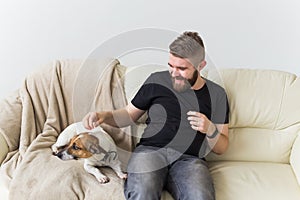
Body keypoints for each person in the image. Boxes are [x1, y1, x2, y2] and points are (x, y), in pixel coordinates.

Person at [82, 31, 229, 200]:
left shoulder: (217, 94)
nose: (174, 73)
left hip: (189, 160)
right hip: (150, 153)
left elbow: (222, 148)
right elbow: (129, 115)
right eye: (171, 66)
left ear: (200, 65)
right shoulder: (157, 81)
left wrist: (210, 128)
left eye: (182, 68)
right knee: (143, 192)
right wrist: (104, 115)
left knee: (200, 196)